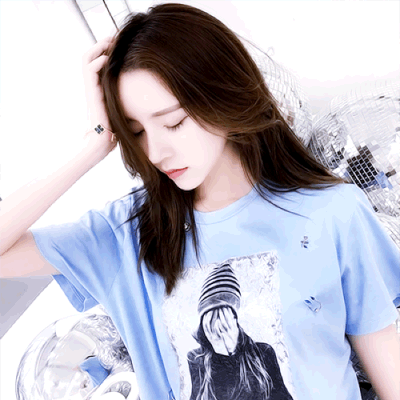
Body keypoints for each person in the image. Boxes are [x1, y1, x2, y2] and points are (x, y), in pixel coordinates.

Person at [1, 3, 399, 400]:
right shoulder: (125, 235)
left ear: (222, 95)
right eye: (136, 132)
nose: (156, 152)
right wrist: (92, 144)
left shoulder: (333, 213)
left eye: (174, 123)